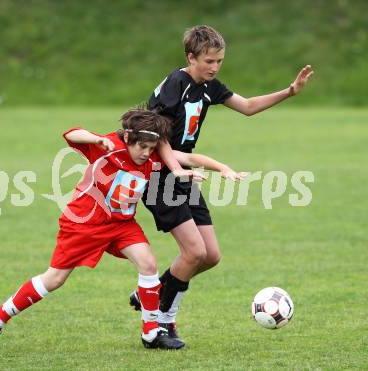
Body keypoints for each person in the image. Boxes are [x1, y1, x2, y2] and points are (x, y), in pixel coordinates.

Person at [0, 107, 247, 353]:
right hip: (83, 224)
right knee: (55, 279)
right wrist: (96, 140)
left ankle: (151, 332)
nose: (146, 152)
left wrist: (223, 168)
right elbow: (73, 133)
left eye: (151, 147)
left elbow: (187, 156)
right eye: (142, 146)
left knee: (148, 264)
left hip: (120, 225)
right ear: (128, 137)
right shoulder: (110, 146)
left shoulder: (152, 156)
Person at [129, 25, 314, 345]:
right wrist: (174, 166)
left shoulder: (207, 87)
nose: (215, 67)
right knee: (193, 252)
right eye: (209, 61)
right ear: (191, 57)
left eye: (219, 61)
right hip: (161, 176)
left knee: (210, 255)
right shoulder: (177, 84)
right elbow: (152, 135)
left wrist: (289, 92)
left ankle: (153, 291)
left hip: (184, 173)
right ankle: (162, 324)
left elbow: (249, 106)